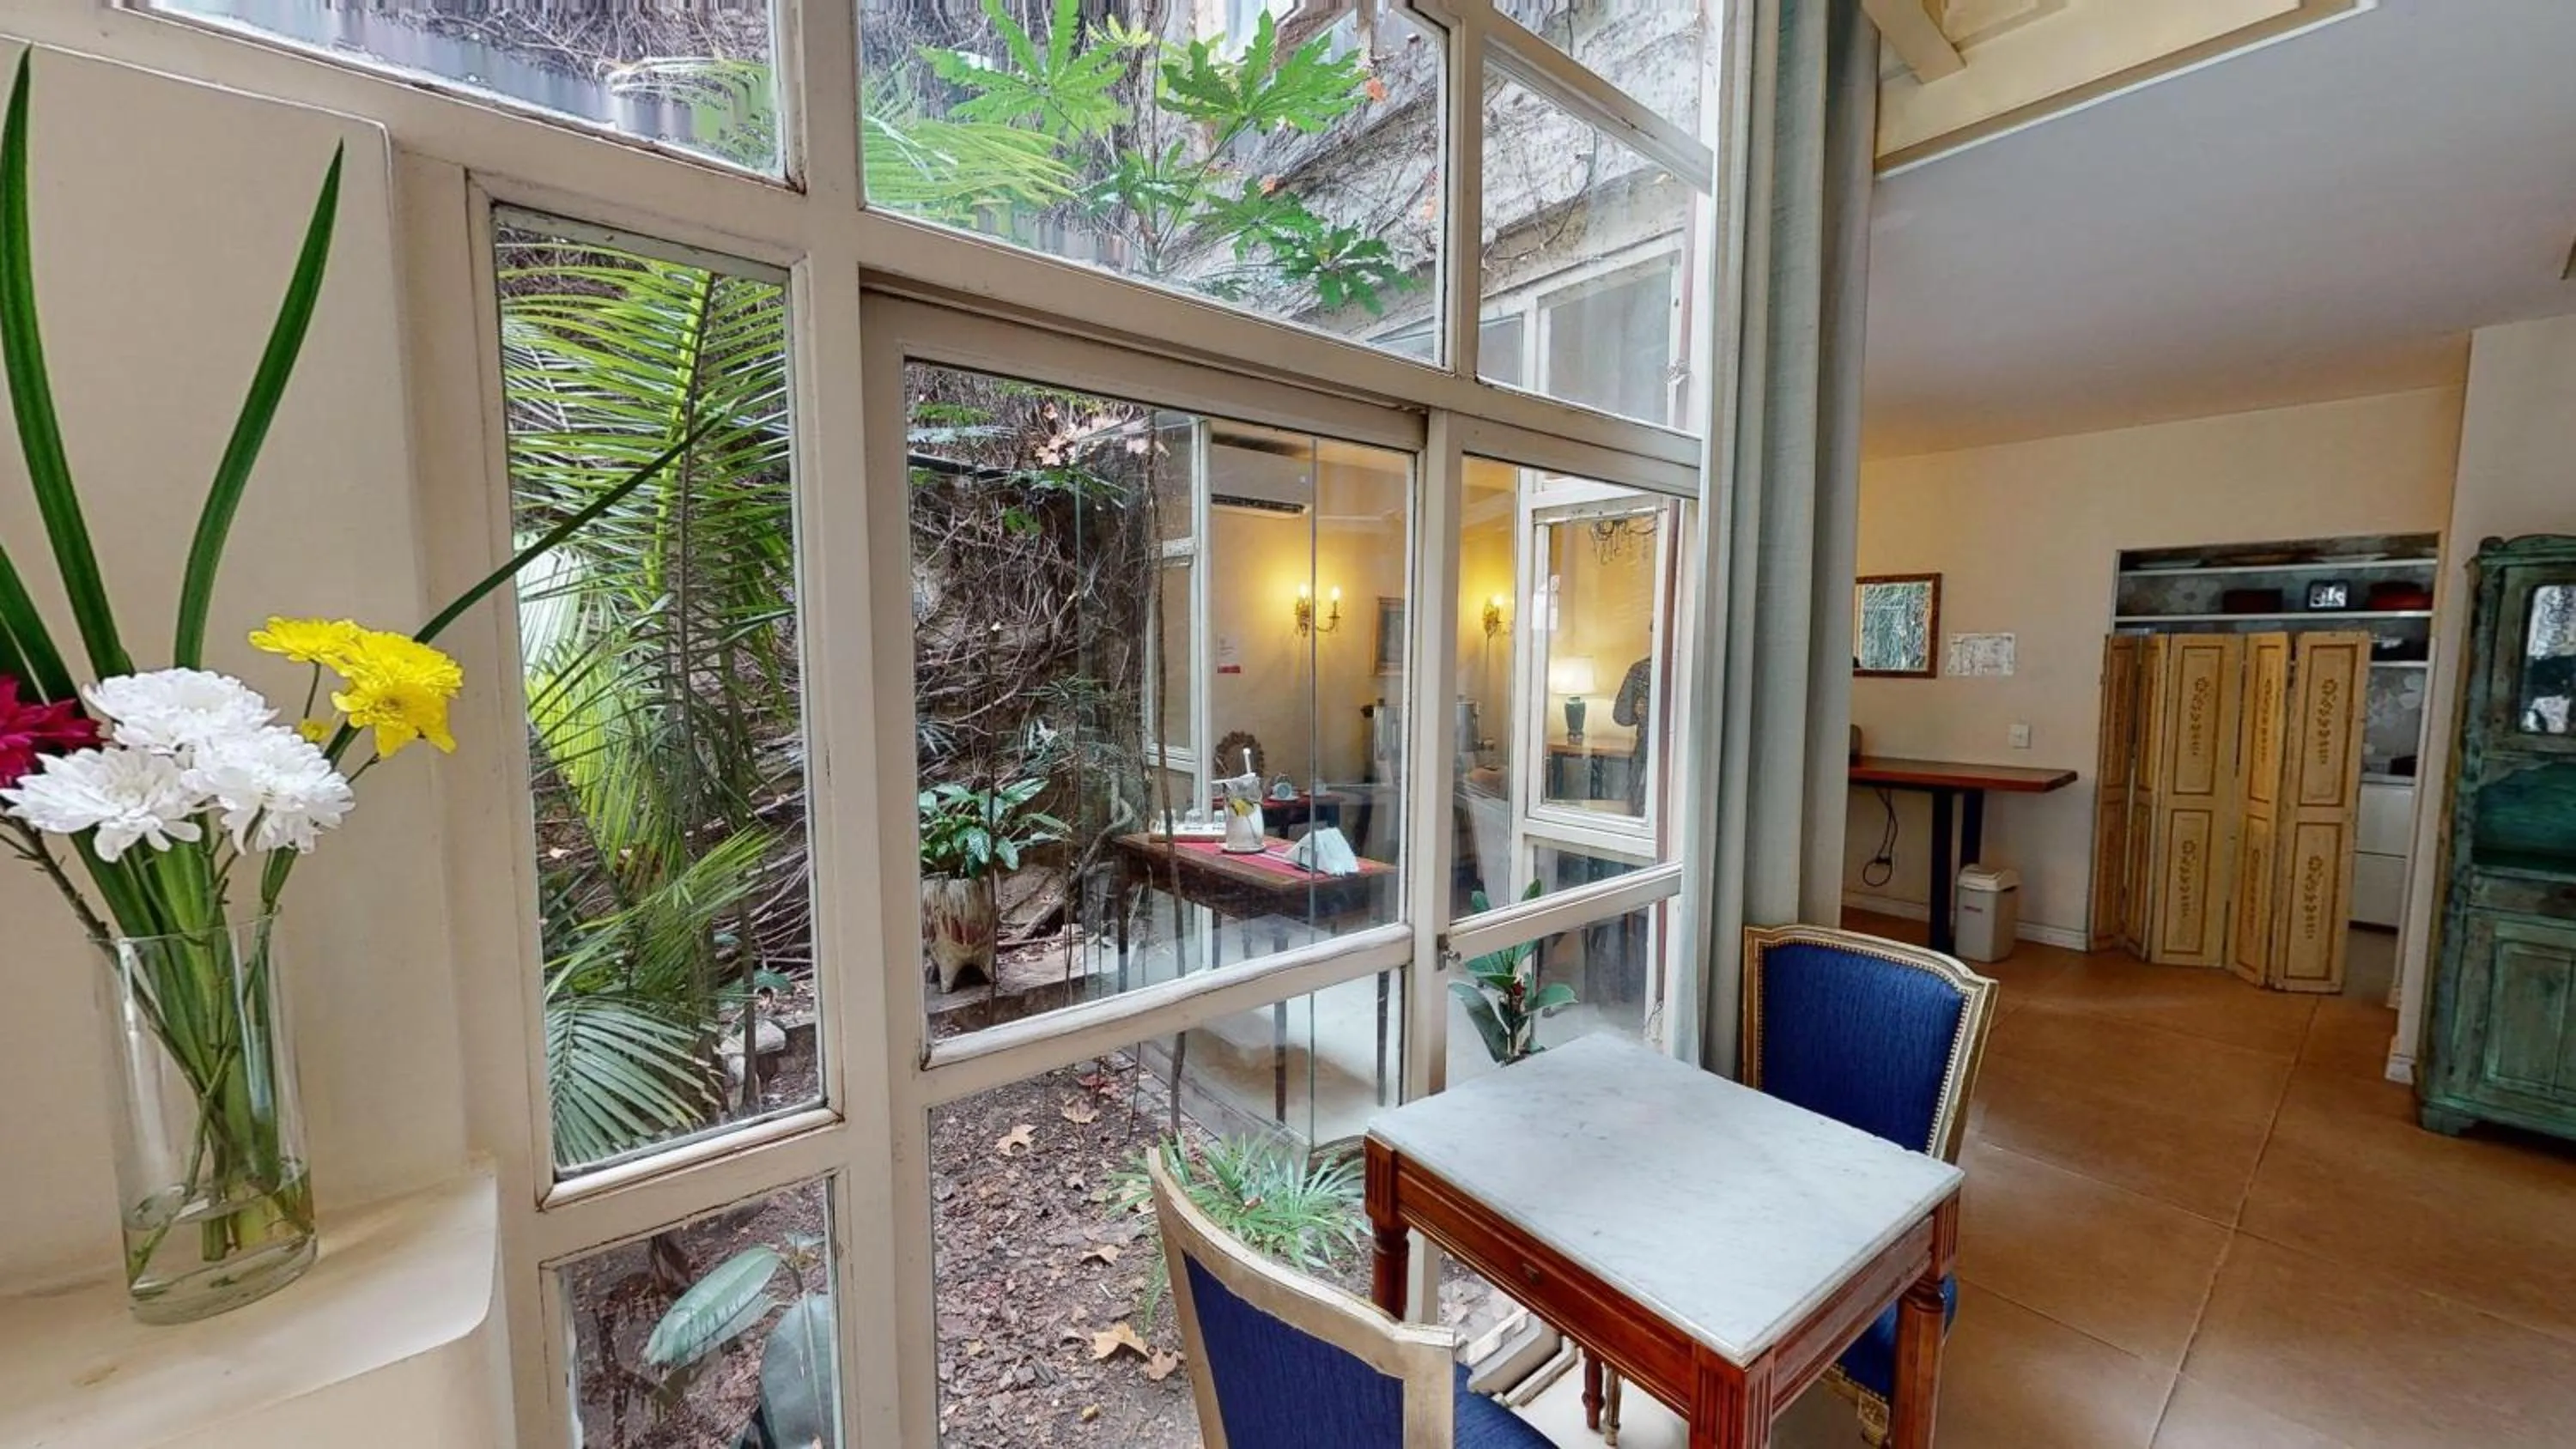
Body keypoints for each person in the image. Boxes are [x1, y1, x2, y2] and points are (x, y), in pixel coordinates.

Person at [1612, 655, 1652, 813]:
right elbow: (1620, 715)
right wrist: (1636, 709)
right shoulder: (1641, 670)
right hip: (1644, 753)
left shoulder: (1691, 669)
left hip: (1683, 752)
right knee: (1638, 808)